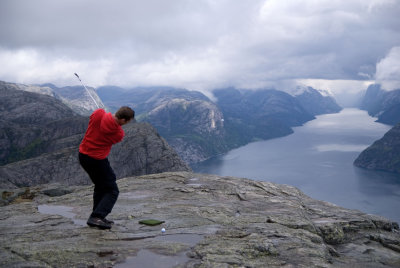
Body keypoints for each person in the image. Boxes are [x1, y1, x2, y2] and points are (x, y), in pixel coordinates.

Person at [79, 106, 134, 229]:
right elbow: (114, 134)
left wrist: (106, 115)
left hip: (83, 156)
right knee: (112, 190)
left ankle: (97, 215)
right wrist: (114, 123)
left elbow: (95, 115)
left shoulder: (99, 114)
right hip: (97, 159)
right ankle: (97, 216)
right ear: (124, 120)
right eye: (128, 122)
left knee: (100, 185)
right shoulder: (118, 133)